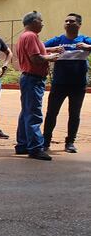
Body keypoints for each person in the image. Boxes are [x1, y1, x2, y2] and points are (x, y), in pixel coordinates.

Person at [14, 12, 63, 161]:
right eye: (41, 21)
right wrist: (51, 57)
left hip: (29, 79)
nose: (42, 24)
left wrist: (50, 50)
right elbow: (35, 58)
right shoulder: (31, 36)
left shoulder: (26, 36)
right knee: (34, 114)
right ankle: (35, 148)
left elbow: (37, 52)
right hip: (33, 79)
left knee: (26, 113)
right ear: (34, 21)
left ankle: (22, 144)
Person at [42, 13, 91, 153]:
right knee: (51, 113)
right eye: (67, 21)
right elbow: (39, 47)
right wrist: (52, 50)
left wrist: (87, 47)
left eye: (72, 21)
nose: (68, 23)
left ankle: (70, 142)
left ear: (79, 25)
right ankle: (45, 142)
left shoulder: (84, 39)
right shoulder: (58, 40)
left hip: (78, 85)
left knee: (74, 114)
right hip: (59, 84)